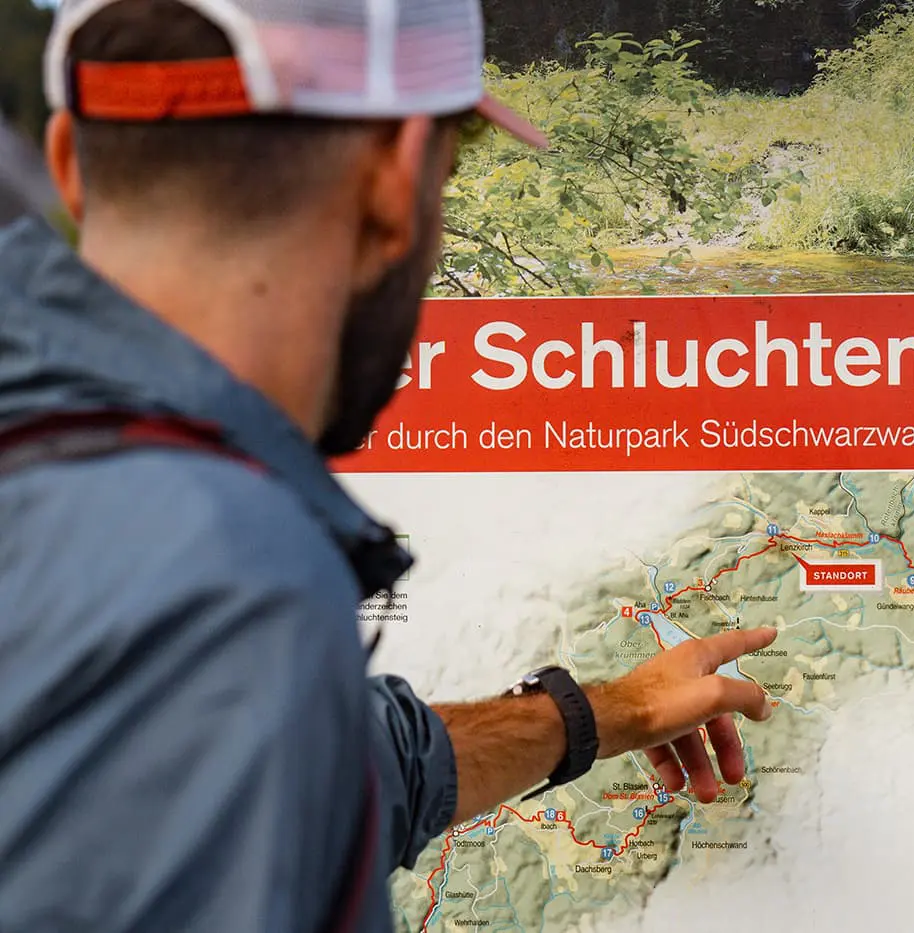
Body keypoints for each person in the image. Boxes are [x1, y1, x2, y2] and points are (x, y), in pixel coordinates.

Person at [0, 0, 777, 930]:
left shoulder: (69, 466)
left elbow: (296, 768)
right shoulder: (222, 576)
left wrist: (595, 714)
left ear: (68, 163)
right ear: (394, 177)